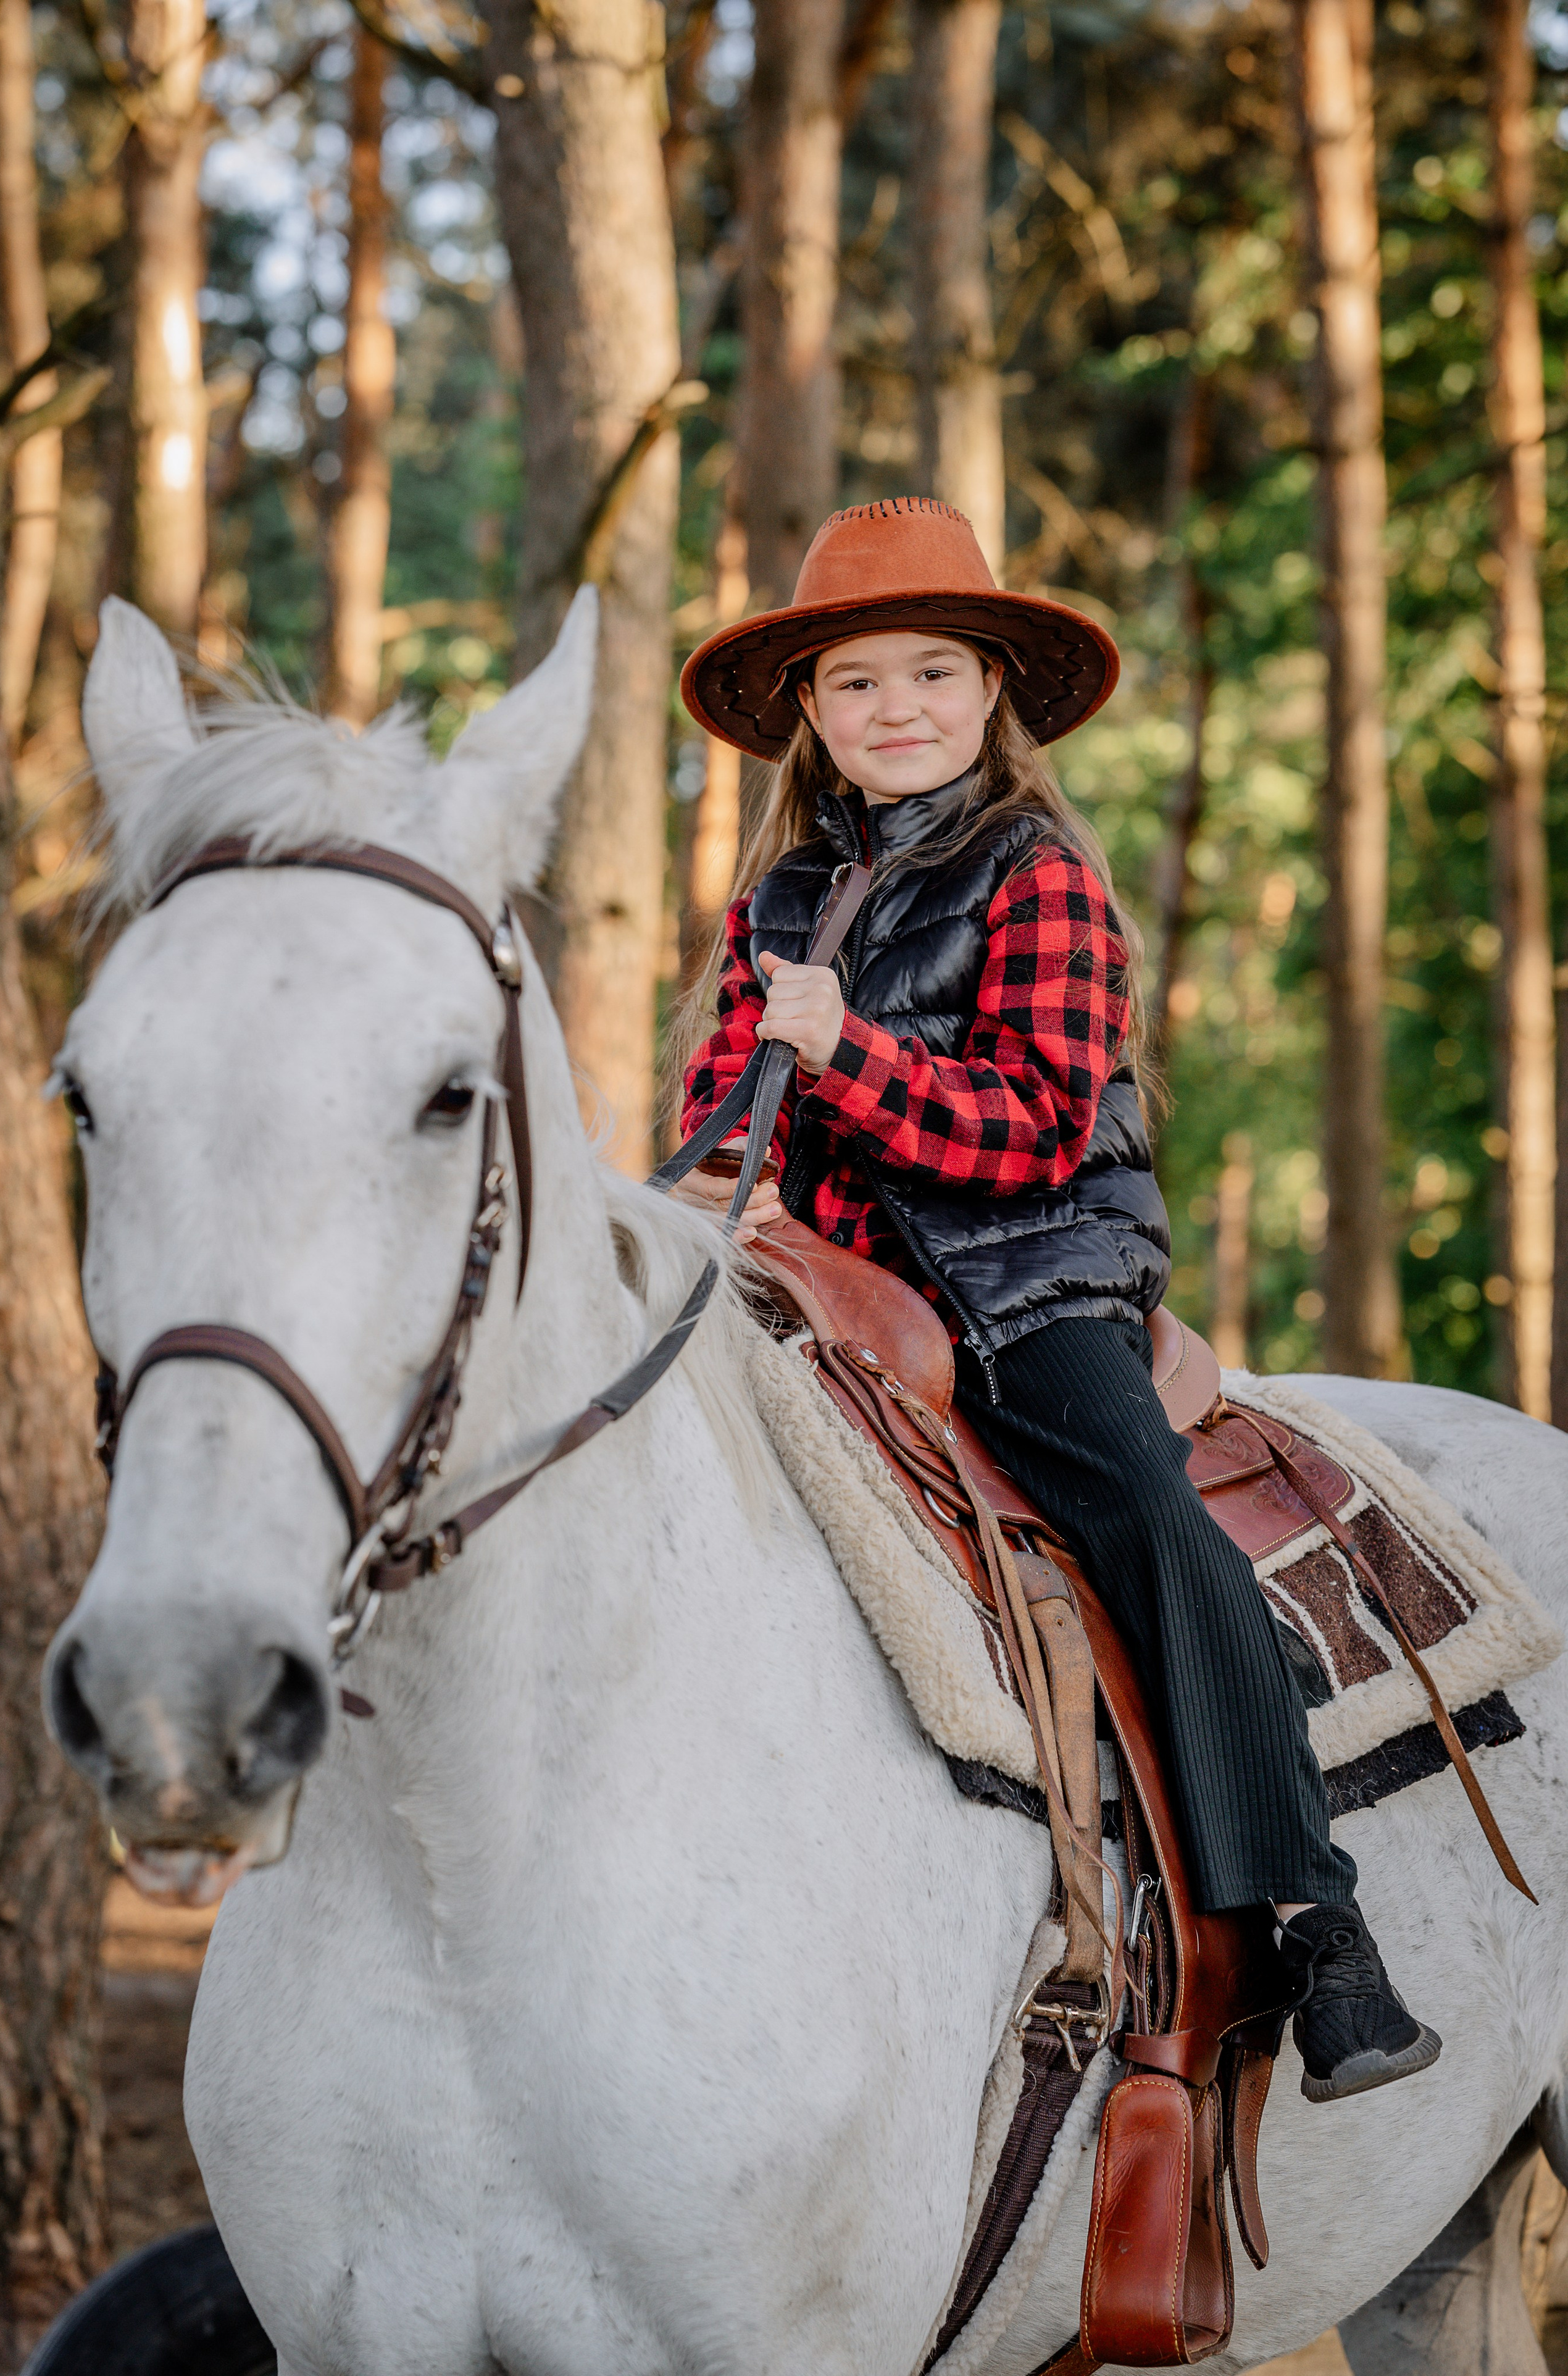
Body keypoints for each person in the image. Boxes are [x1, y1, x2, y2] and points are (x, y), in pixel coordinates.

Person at [670, 496, 1440, 2105]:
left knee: (1139, 1507)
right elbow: (717, 1117)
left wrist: (845, 1051)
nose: (900, 710)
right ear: (810, 715)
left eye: (933, 673)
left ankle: (1317, 1920)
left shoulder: (1041, 875)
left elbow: (1026, 1127)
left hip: (1028, 1284)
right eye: (859, 682)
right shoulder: (782, 908)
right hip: (839, 1290)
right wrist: (689, 1193)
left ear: (994, 692)